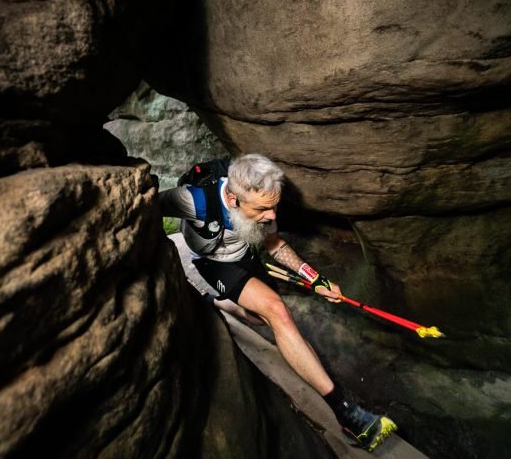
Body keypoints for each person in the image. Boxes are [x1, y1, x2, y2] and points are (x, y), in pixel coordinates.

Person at [160, 153, 397, 452]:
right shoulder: (193, 201)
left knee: (258, 318)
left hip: (247, 255)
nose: (272, 216)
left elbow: (274, 244)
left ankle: (218, 303)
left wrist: (317, 280)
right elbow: (147, 205)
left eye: (274, 206)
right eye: (262, 209)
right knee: (277, 311)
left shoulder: (263, 204)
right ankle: (348, 415)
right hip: (215, 263)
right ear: (232, 199)